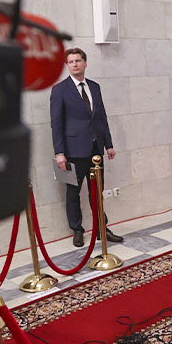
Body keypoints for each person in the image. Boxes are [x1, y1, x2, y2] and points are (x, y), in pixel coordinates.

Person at [50, 47, 123, 247]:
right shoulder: (59, 90)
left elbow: (101, 118)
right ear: (67, 65)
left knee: (97, 191)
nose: (74, 64)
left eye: (78, 61)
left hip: (95, 149)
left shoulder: (94, 87)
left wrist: (108, 144)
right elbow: (56, 123)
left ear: (85, 63)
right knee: (73, 192)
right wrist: (59, 153)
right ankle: (77, 230)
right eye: (71, 62)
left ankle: (101, 229)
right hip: (71, 151)